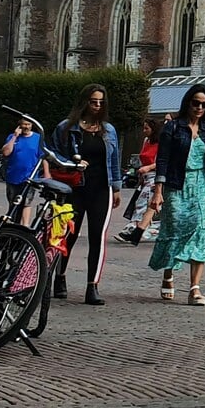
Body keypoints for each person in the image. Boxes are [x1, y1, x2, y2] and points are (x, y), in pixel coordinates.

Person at [149, 85, 205, 306]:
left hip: (202, 185)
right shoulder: (172, 127)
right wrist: (158, 191)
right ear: (187, 103)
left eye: (204, 104)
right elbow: (163, 159)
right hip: (177, 184)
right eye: (195, 103)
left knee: (202, 230)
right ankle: (168, 274)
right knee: (174, 230)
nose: (199, 107)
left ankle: (194, 289)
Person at [50, 83, 123, 306]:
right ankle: (60, 276)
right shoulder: (66, 127)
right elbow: (53, 154)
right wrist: (71, 161)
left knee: (97, 237)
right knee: (68, 235)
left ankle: (92, 286)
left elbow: (114, 159)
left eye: (101, 102)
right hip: (75, 187)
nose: (97, 106)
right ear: (84, 102)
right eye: (93, 101)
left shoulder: (108, 130)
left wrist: (117, 187)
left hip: (102, 187)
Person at [117, 118, 161, 245]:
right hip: (145, 176)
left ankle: (134, 228)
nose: (144, 131)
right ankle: (143, 228)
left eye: (147, 128)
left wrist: (148, 167)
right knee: (143, 203)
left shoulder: (161, 144)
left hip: (155, 175)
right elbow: (142, 157)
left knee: (144, 202)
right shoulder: (146, 141)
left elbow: (160, 162)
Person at [0, 113, 49, 214]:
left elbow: (43, 157)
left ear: (32, 125)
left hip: (30, 177)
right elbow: (6, 152)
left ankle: (24, 227)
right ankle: (13, 225)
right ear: (20, 125)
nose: (26, 127)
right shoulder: (12, 137)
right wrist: (14, 136)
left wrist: (47, 173)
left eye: (28, 124)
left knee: (26, 203)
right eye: (24, 124)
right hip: (13, 177)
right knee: (13, 203)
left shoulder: (38, 138)